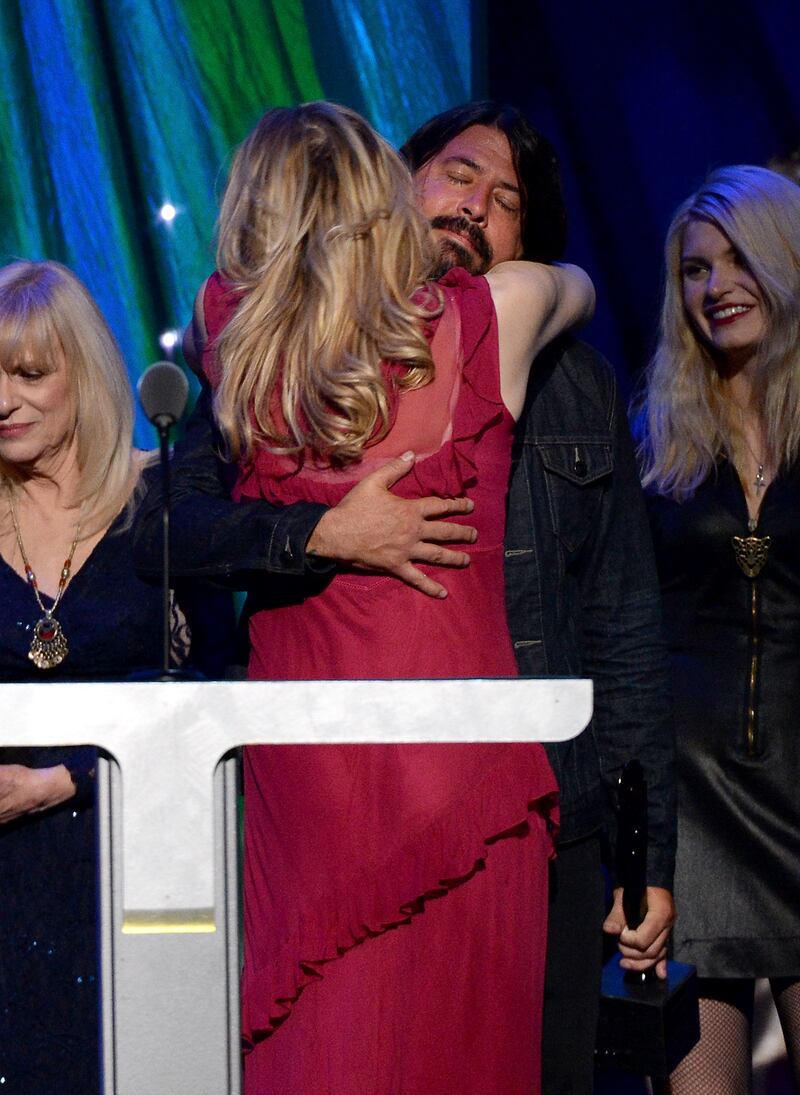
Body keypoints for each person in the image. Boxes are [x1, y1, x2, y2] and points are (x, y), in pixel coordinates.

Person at [168, 100, 592, 1093]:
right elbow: (574, 282)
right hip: (460, 779)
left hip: (314, 784)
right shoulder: (496, 312)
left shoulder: (228, 327)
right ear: (389, 196)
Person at [401, 100, 677, 1095]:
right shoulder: (324, 351)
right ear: (401, 181)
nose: (474, 205)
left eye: (505, 199)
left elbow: (622, 622)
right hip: (376, 805)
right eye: (458, 173)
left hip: (549, 810)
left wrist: (647, 853)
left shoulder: (574, 388)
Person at [0, 260, 228, 1094]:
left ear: (84, 371)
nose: (3, 399)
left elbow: (215, 682)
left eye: (28, 373)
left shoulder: (160, 497)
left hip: (136, 861)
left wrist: (63, 780)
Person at [636, 165, 800, 1093]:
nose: (716, 285)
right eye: (696, 269)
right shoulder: (657, 445)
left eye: (740, 259)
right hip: (692, 824)